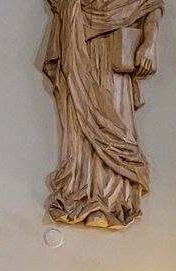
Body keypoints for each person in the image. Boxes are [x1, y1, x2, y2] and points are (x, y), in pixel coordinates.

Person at [43, 0, 163, 229]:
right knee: (80, 123)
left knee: (113, 121)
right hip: (80, 47)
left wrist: (150, 41)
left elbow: (151, 4)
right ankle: (81, 194)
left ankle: (113, 200)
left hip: (114, 50)